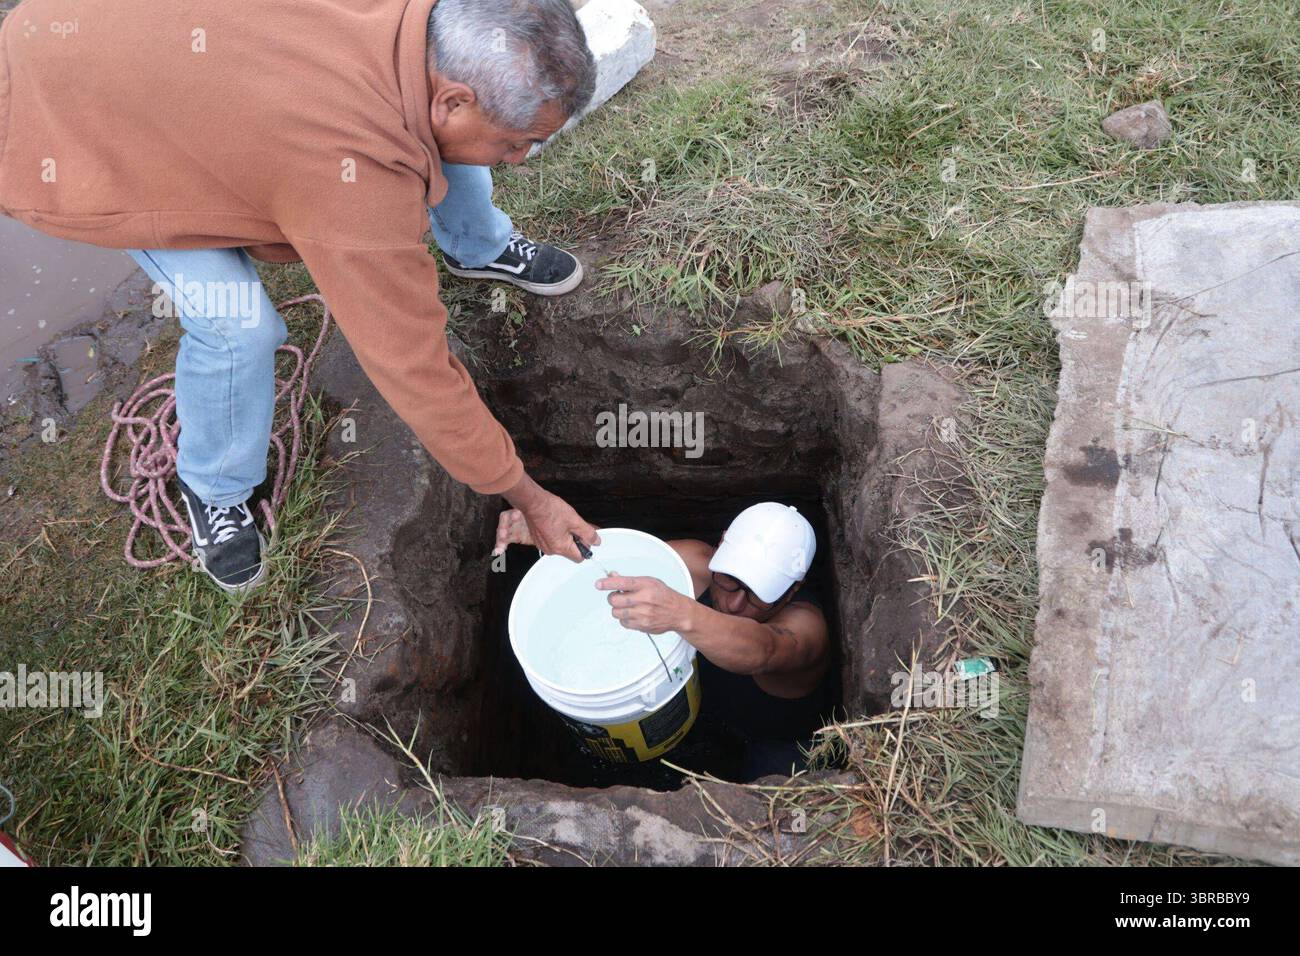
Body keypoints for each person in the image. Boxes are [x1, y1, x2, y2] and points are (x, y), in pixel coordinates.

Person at [0, 0, 601, 592]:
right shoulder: (354, 180)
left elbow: (432, 117)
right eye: (518, 143)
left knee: (435, 131)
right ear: (454, 100)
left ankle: (476, 243)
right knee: (240, 330)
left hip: (171, 49)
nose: (521, 161)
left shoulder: (425, 36)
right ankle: (216, 488)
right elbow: (413, 367)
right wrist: (527, 495)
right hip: (72, 98)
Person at [494, 502, 834, 778]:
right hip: (699, 706)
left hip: (778, 743)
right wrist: (552, 532)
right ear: (721, 544)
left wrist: (680, 612)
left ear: (793, 591)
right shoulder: (698, 564)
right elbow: (624, 562)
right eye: (729, 580)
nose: (734, 603)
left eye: (758, 595)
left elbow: (763, 650)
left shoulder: (806, 629)